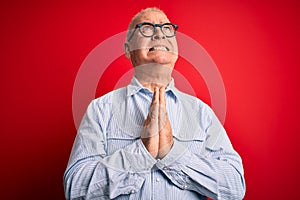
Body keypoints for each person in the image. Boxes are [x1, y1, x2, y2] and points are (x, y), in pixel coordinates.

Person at [64, 7, 246, 200]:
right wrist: (142, 152)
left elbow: (234, 187)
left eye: (167, 28)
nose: (159, 34)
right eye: (147, 28)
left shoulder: (201, 112)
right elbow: (75, 188)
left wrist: (172, 152)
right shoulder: (100, 110)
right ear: (128, 49)